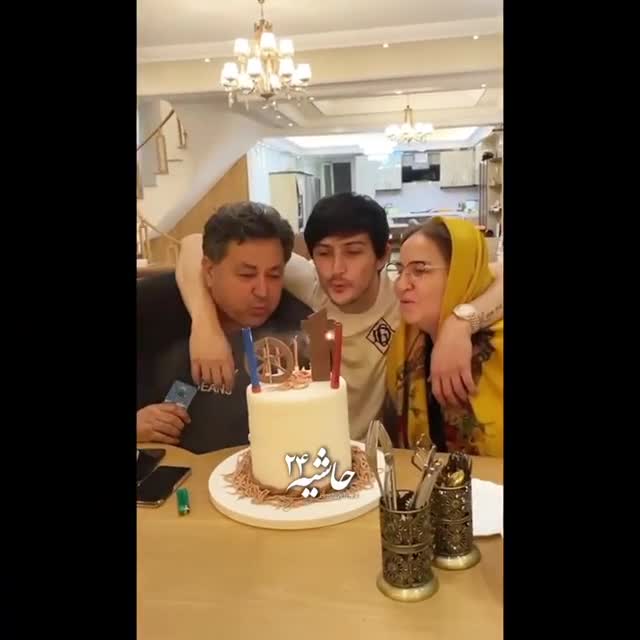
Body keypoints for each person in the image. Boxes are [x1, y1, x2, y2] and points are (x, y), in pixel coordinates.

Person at [176, 193, 504, 441]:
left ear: (381, 256)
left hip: (376, 459)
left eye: (353, 252)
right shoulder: (310, 284)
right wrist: (204, 325)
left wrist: (462, 322)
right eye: (323, 253)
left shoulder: (406, 297)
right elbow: (192, 245)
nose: (336, 269)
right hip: (310, 456)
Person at [136, 202, 311, 453]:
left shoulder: (297, 325)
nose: (262, 291)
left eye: (274, 275)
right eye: (246, 275)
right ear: (209, 271)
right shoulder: (151, 307)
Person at [385, 217, 503, 456]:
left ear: (462, 273)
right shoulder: (404, 341)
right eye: (400, 270)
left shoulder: (499, 345)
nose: (401, 285)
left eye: (419, 270)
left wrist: (460, 323)